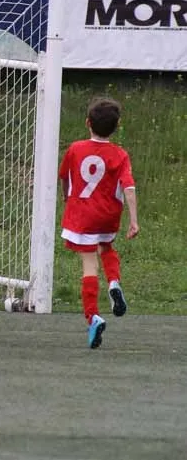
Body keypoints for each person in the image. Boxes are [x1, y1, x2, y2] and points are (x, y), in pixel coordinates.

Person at [58, 97, 139, 349]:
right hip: (108, 215)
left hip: (83, 215)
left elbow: (64, 177)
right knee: (106, 247)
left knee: (89, 265)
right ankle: (114, 282)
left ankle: (93, 317)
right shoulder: (120, 154)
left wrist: (66, 197)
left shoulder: (75, 149)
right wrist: (133, 220)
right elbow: (129, 187)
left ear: (87, 123)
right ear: (117, 127)